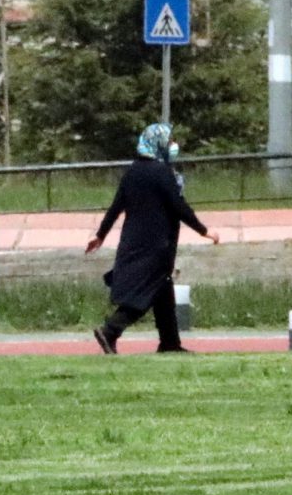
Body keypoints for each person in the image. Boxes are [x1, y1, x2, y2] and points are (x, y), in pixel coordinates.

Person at [85, 121, 220, 355]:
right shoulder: (161, 173)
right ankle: (110, 330)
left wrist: (100, 236)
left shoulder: (133, 172)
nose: (173, 146)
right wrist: (203, 230)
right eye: (169, 142)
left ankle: (170, 343)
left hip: (134, 242)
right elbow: (178, 206)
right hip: (156, 244)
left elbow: (116, 208)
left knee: (161, 289)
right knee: (145, 292)